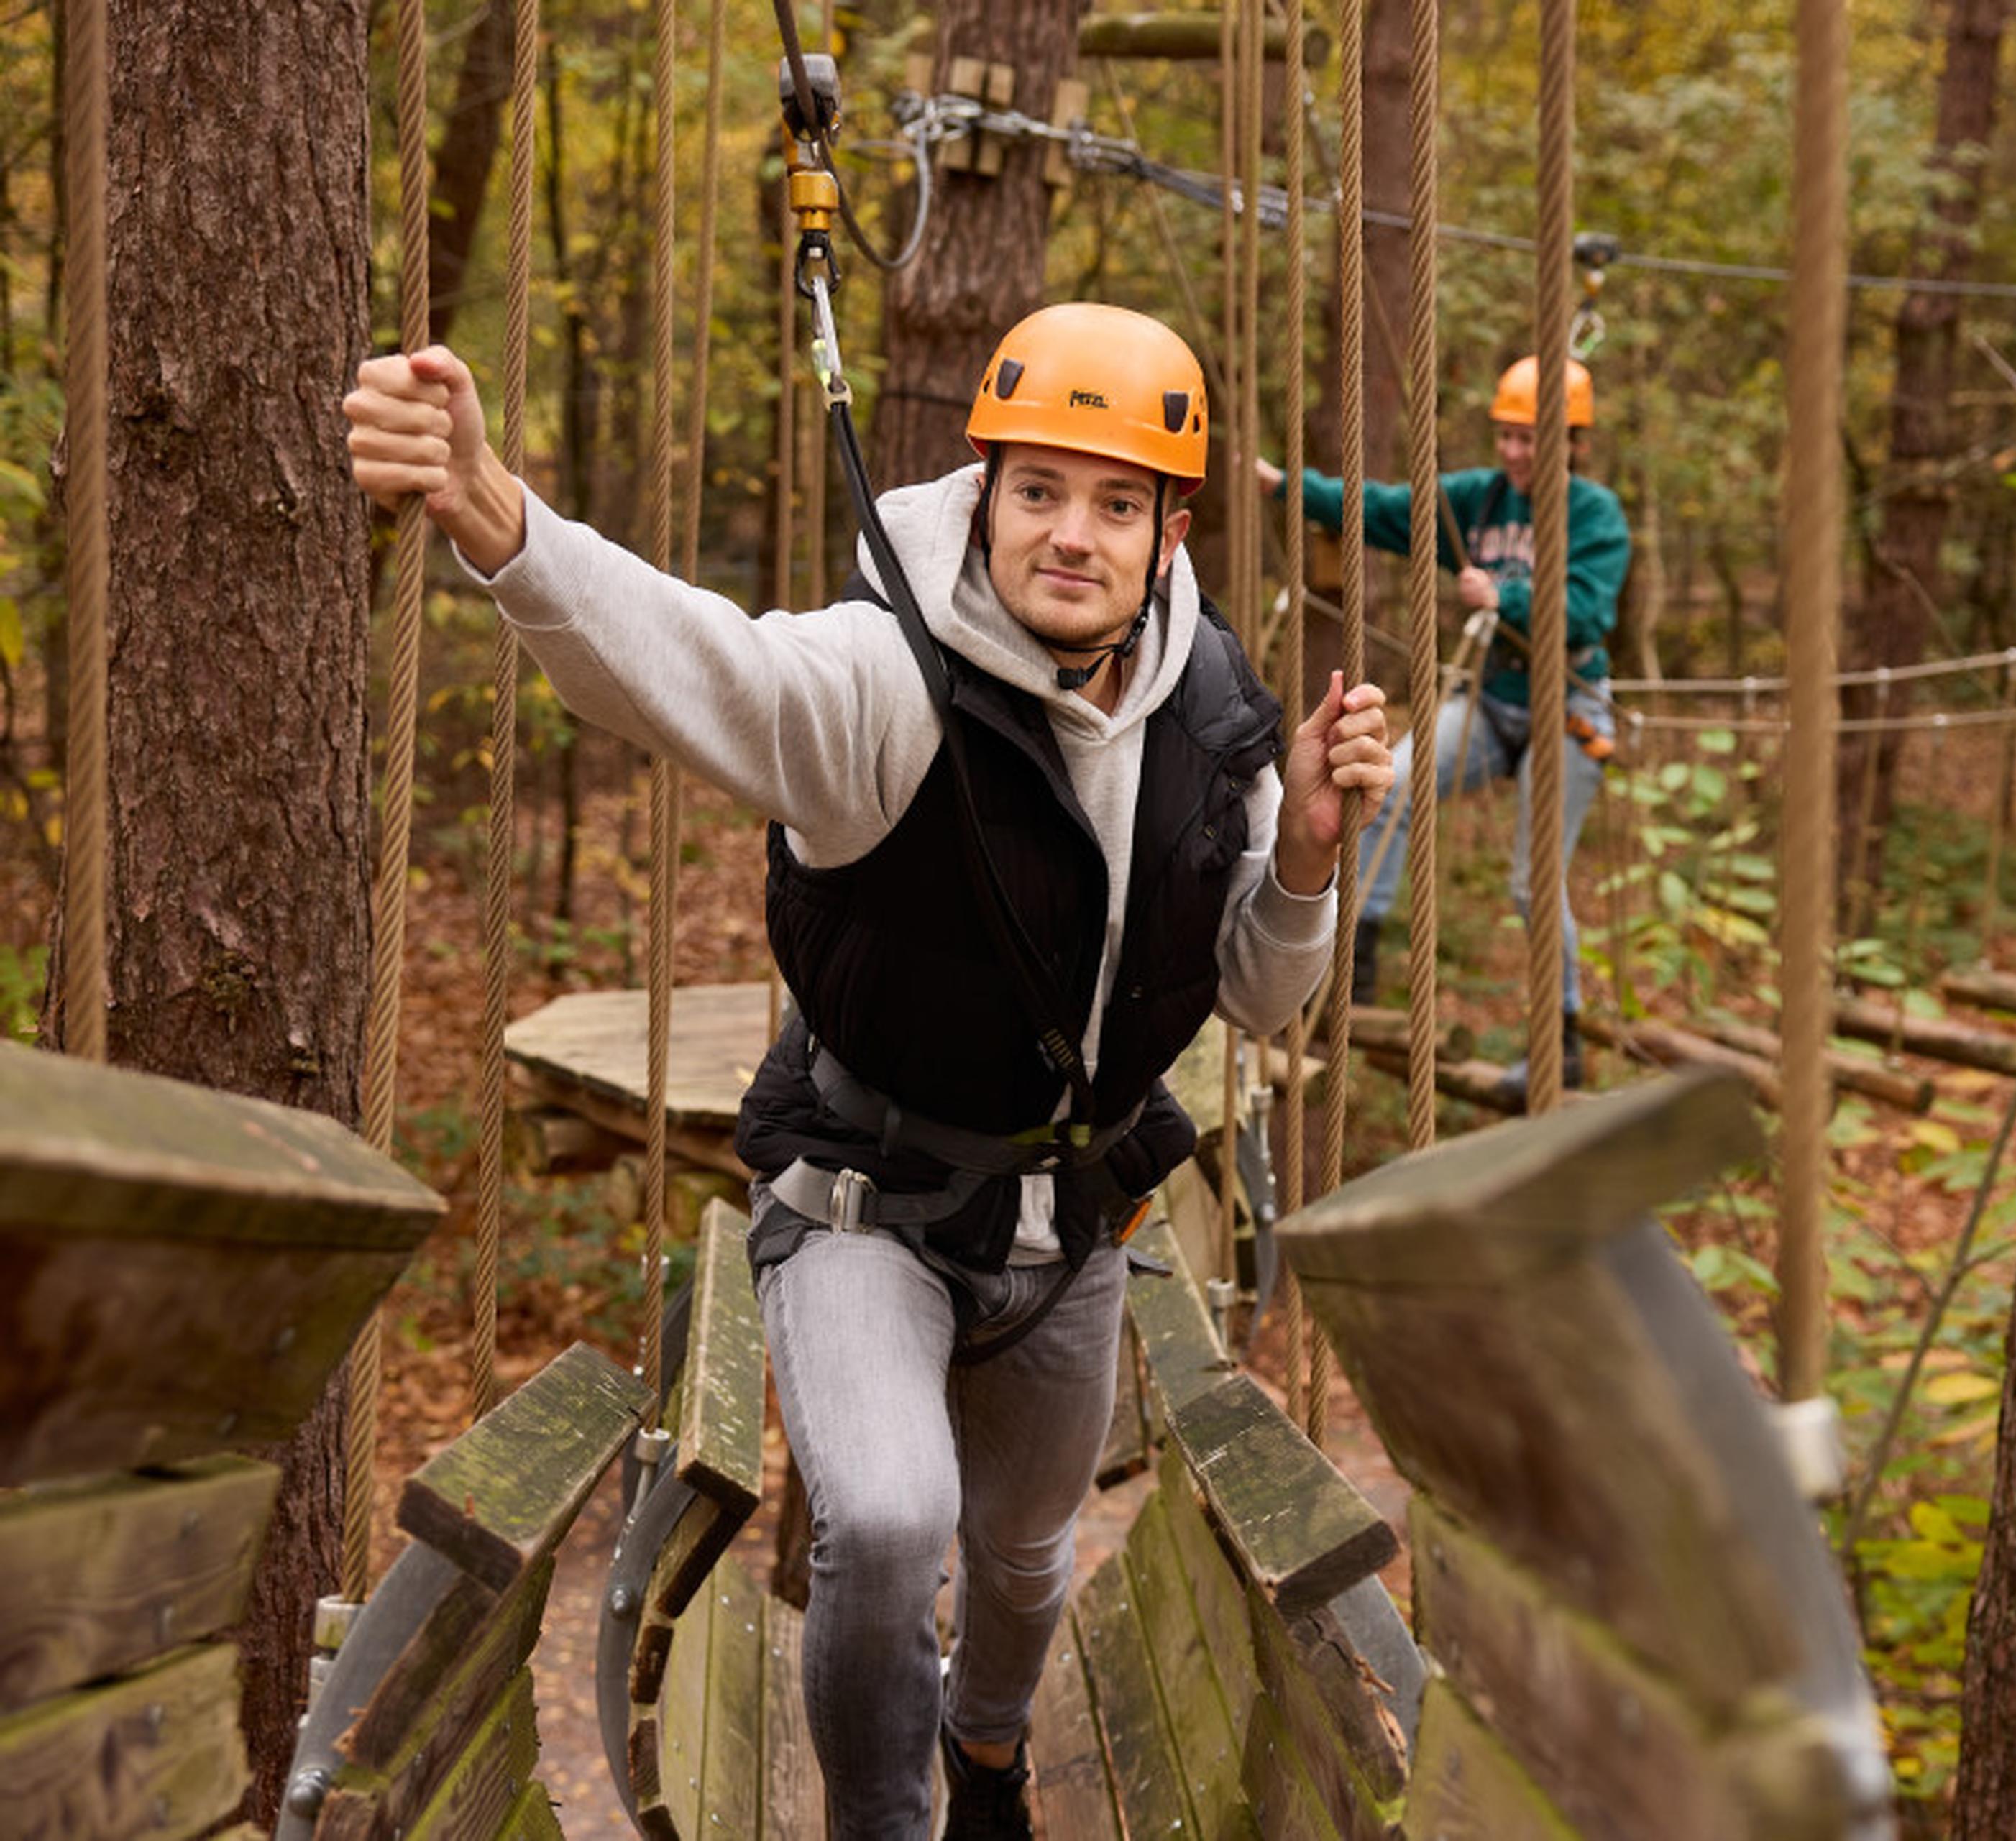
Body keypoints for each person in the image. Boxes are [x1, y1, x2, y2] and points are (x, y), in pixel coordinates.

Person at [344, 302, 1393, 1841]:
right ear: (984, 494)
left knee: (1030, 1557)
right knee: (896, 1521)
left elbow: (1253, 985)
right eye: (1038, 490)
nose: (1071, 535)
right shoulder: (884, 679)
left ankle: (985, 1756)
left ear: (1172, 530)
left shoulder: (1216, 717)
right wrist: (500, 519)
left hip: (1070, 1219)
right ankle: (883, 1822)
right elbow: (700, 665)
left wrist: (1302, 852)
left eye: (1116, 502)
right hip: (861, 1200)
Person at [1255, 353, 1630, 1096]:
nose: (1518, 453)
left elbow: (1587, 609)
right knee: (1393, 781)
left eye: (1533, 438)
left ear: (1571, 442)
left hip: (1569, 707)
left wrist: (1505, 596)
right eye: (1508, 437)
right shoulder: (1482, 500)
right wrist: (1291, 488)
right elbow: (1390, 509)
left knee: (1531, 880)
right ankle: (1354, 962)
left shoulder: (1594, 516)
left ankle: (1562, 1041)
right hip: (1496, 703)